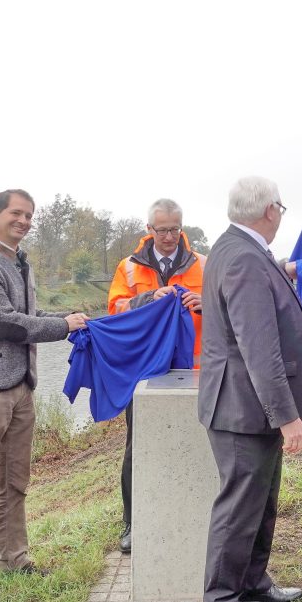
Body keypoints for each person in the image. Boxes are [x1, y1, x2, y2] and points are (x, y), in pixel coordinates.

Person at [0, 189, 89, 602]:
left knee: (15, 482)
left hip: (20, 388)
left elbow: (30, 316)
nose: (24, 221)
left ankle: (14, 558)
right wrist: (63, 327)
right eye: (16, 213)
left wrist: (74, 319)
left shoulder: (21, 261)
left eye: (29, 215)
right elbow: (5, 323)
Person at [198, 176, 302, 602]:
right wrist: (287, 416)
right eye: (281, 208)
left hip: (248, 406)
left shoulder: (237, 248)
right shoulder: (244, 258)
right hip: (242, 407)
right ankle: (222, 597)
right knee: (239, 513)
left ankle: (253, 585)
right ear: (271, 210)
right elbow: (259, 347)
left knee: (259, 505)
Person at [107, 198, 204, 553]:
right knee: (139, 447)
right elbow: (115, 310)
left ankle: (192, 517)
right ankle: (134, 522)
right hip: (144, 373)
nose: (168, 236)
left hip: (195, 373)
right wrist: (149, 298)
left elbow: (228, 307)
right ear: (149, 229)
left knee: (195, 443)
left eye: (175, 229)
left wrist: (206, 304)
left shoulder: (204, 265)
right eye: (162, 230)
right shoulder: (129, 268)